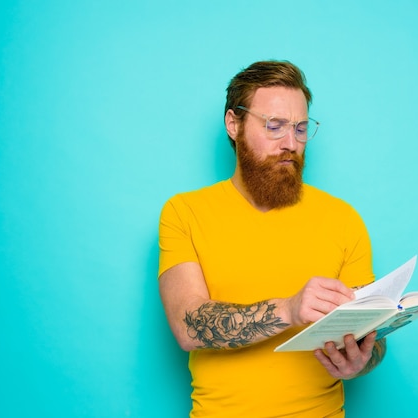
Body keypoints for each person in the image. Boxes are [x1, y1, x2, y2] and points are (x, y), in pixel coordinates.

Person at [158, 60, 386, 417]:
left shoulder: (344, 219)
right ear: (234, 124)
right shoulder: (184, 212)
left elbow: (371, 337)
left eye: (300, 128)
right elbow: (189, 325)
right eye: (275, 126)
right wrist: (290, 309)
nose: (290, 144)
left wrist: (363, 358)